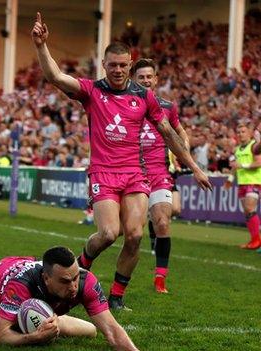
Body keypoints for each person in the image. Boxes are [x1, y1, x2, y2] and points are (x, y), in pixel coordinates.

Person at [32, 12, 211, 310]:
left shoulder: (144, 97)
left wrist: (194, 167)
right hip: (103, 171)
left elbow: (168, 134)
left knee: (136, 234)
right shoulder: (92, 90)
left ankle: (115, 297)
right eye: (112, 65)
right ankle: (81, 264)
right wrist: (41, 45)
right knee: (107, 234)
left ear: (130, 64)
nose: (117, 70)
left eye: (123, 65)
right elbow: (54, 76)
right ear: (103, 65)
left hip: (134, 173)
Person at [0, 247, 138, 350]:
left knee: (91, 331)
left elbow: (113, 331)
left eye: (75, 277)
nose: (73, 287)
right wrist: (35, 338)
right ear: (46, 278)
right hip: (9, 277)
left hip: (43, 301)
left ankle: (50, 318)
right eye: (65, 281)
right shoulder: (20, 285)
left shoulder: (86, 282)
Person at [132, 58, 189, 293]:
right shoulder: (125, 103)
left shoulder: (167, 106)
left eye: (149, 77)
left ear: (155, 79)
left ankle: (159, 280)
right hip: (133, 171)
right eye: (141, 77)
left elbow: (179, 131)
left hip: (160, 172)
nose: (145, 80)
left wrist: (183, 149)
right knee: (130, 232)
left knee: (164, 221)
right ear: (133, 80)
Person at [226, 123, 261, 250]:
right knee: (247, 212)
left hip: (254, 181)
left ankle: (257, 241)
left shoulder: (254, 146)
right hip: (242, 183)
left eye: (243, 131)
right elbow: (235, 166)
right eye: (239, 132)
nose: (241, 134)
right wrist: (230, 180)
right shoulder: (238, 149)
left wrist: (243, 166)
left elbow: (258, 163)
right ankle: (254, 240)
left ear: (250, 133)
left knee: (250, 208)